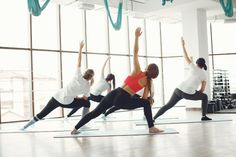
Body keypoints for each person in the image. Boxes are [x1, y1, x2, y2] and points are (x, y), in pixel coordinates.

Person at [71, 27, 162, 134]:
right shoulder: (148, 82)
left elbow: (135, 52)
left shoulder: (138, 71)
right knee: (146, 103)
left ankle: (75, 129)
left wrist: (136, 37)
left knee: (95, 112)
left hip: (114, 94)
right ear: (154, 75)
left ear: (147, 68)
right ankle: (151, 127)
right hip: (123, 99)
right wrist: (146, 100)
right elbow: (144, 98)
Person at [22, 41, 95, 130]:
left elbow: (79, 61)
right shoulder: (87, 86)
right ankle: (83, 123)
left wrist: (80, 48)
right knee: (87, 103)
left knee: (43, 113)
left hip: (56, 97)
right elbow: (85, 99)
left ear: (84, 72)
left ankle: (25, 126)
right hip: (67, 102)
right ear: (91, 78)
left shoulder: (78, 75)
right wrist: (77, 97)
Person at [153, 37, 212, 121]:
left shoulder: (192, 66)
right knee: (205, 97)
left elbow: (185, 55)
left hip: (178, 89)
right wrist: (196, 93)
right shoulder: (204, 75)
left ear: (196, 63)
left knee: (168, 105)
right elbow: (202, 90)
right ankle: (203, 116)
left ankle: (154, 118)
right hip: (188, 93)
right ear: (203, 65)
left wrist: (183, 45)